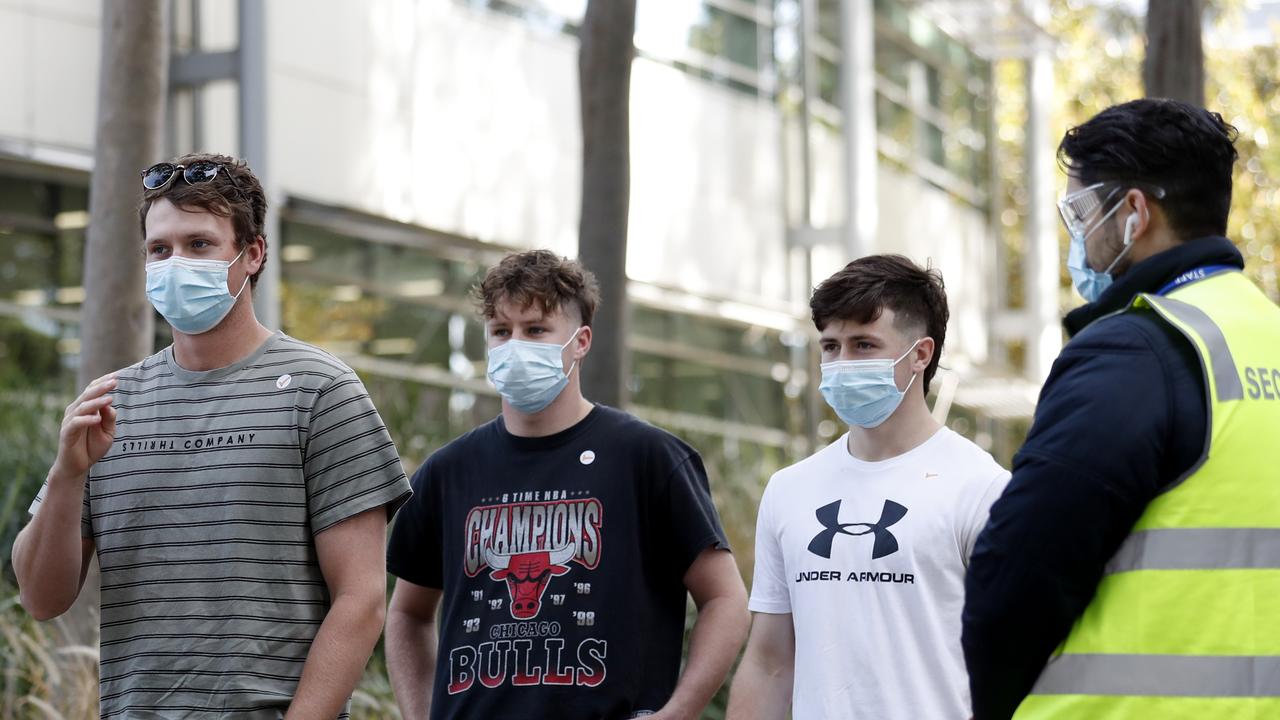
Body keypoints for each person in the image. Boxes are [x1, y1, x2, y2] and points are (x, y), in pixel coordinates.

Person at [11, 153, 412, 719]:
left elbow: (362, 600)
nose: (177, 262)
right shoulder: (109, 404)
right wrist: (67, 474)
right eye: (161, 249)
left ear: (252, 253)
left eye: (200, 244)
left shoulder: (322, 391)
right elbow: (40, 598)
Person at [962, 99, 1280, 719]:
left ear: (1135, 212)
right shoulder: (1266, 336)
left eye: (1080, 211)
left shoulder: (1137, 349)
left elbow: (1017, 579)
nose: (1077, 236)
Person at [384, 249, 749, 720]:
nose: (515, 344)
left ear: (580, 342)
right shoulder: (447, 471)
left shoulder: (648, 459)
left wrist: (677, 713)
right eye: (501, 331)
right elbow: (407, 614)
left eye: (535, 330)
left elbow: (725, 598)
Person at [726, 254, 1010, 720]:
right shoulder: (789, 490)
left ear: (921, 353)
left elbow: (1015, 657)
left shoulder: (982, 489)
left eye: (863, 345)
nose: (840, 364)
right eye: (830, 346)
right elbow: (770, 663)